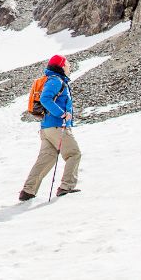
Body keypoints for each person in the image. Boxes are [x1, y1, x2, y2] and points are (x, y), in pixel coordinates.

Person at [19, 54, 82, 201]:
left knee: (47, 158)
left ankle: (28, 191)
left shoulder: (53, 80)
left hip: (46, 128)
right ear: (61, 66)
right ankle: (67, 187)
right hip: (57, 127)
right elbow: (45, 99)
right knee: (74, 154)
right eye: (67, 65)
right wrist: (61, 114)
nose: (69, 67)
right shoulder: (55, 81)